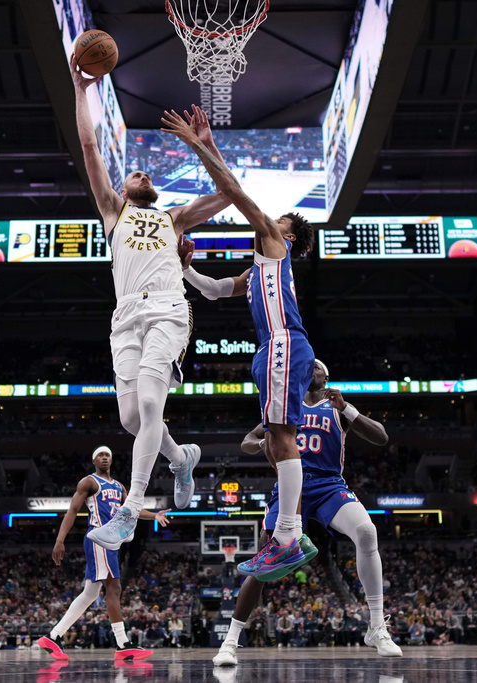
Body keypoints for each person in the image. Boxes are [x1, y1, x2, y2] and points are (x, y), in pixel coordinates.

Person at [70, 55, 232, 551]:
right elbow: (90, 143)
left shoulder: (173, 218)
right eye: (132, 172)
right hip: (125, 317)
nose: (138, 172)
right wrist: (81, 89)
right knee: (133, 421)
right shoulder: (112, 211)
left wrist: (205, 146)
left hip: (167, 308)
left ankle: (131, 508)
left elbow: (229, 193)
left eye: (143, 172)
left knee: (148, 404)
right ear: (122, 189)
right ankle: (181, 459)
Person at [162, 108, 316, 577]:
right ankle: (288, 532)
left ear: (286, 233)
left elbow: (231, 190)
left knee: (283, 439)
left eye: (277, 219)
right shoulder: (258, 271)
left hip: (284, 343)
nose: (267, 220)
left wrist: (198, 142)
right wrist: (184, 266)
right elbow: (212, 290)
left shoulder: (275, 243)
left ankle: (287, 536)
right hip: (274, 348)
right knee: (273, 442)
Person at [211, 361, 402, 666]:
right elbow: (246, 441)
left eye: (318, 365)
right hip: (291, 485)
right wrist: (264, 442)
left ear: (327, 376)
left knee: (367, 532)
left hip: (329, 485)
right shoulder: (284, 405)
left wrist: (348, 408)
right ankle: (230, 642)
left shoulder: (337, 407)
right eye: (307, 364)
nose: (311, 367)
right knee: (264, 555)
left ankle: (377, 628)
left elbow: (381, 437)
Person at [38, 446, 170, 662]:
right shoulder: (89, 482)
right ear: (94, 461)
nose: (105, 457)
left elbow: (133, 510)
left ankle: (53, 637)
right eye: (101, 455)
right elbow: (72, 510)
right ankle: (123, 644)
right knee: (114, 587)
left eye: (108, 455)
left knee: (90, 594)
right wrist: (59, 540)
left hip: (111, 541)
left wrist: (155, 515)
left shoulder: (119, 486)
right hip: (99, 536)